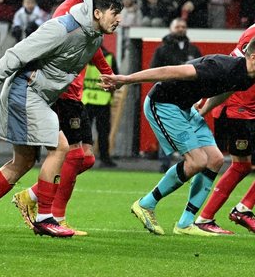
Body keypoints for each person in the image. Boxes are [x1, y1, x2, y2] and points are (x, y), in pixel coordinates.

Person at [0, 0, 122, 237]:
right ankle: (45, 218)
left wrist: (110, 75)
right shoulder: (61, 28)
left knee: (24, 162)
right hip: (25, 91)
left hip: (39, 95)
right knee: (61, 148)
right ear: (97, 13)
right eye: (115, 13)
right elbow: (16, 54)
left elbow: (90, 55)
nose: (119, 19)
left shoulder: (93, 37)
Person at [102, 44, 255, 236]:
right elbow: (170, 71)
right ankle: (145, 204)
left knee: (215, 159)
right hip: (164, 103)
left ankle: (186, 223)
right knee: (197, 161)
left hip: (186, 108)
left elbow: (225, 91)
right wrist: (126, 79)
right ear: (253, 58)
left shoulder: (247, 77)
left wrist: (202, 111)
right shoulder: (221, 66)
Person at [13, 0, 114, 236]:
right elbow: (51, 46)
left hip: (75, 91)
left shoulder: (95, 9)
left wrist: (106, 72)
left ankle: (32, 196)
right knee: (72, 154)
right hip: (61, 92)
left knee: (87, 158)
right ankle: (55, 215)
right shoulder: (68, 10)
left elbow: (91, 46)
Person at [196, 25, 255, 234]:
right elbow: (234, 70)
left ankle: (241, 209)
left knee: (243, 166)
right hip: (237, 109)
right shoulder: (252, 34)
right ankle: (207, 218)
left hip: (246, 109)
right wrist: (205, 105)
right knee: (240, 165)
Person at [82, 46, 116, 167]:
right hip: (103, 100)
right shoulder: (110, 57)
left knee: (84, 132)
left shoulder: (84, 56)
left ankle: (83, 157)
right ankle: (105, 158)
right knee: (103, 132)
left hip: (86, 100)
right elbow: (115, 80)